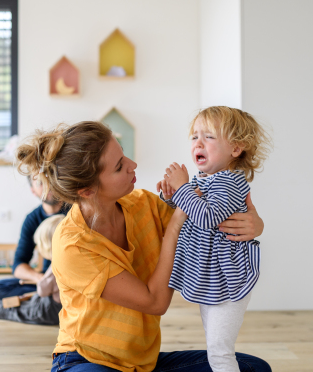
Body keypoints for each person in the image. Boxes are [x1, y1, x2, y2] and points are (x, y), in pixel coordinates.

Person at [16, 121, 271, 372]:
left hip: (144, 364)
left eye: (124, 155)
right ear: (86, 190)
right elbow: (155, 302)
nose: (133, 166)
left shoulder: (142, 203)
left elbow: (207, 225)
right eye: (119, 167)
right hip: (87, 361)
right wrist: (173, 228)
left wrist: (254, 224)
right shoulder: (73, 244)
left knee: (253, 368)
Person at [157, 106, 271, 372]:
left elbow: (206, 217)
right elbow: (189, 213)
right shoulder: (207, 180)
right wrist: (170, 197)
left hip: (228, 280)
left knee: (220, 353)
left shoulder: (229, 182)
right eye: (195, 136)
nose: (198, 142)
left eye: (209, 137)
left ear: (235, 149)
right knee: (215, 349)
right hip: (212, 278)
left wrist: (183, 188)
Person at [0, 214, 64, 325]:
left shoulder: (57, 264)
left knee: (16, 311)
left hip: (52, 309)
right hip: (52, 303)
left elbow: (42, 290)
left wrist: (42, 281)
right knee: (21, 302)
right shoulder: (69, 259)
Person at [0, 178, 68, 300]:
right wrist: (40, 279)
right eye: (40, 183)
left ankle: (38, 301)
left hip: (71, 279)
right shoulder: (31, 219)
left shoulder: (76, 211)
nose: (48, 185)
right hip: (46, 279)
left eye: (50, 179)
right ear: (33, 190)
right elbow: (18, 264)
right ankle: (43, 298)